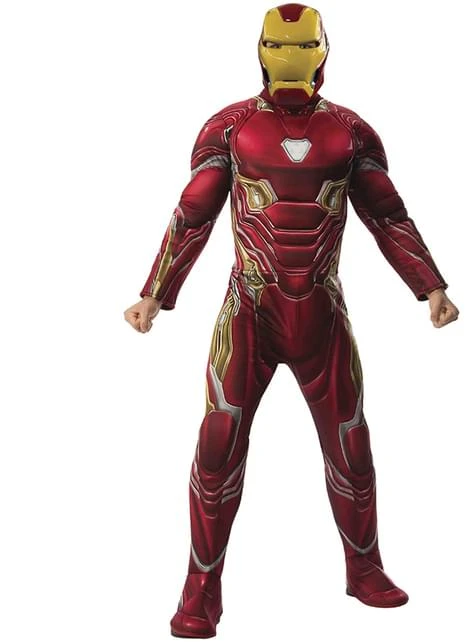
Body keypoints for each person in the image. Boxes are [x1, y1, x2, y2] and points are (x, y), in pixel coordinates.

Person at [124, 3, 459, 637]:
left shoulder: (350, 132)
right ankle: (201, 587)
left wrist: (430, 286)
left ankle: (364, 568)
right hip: (249, 312)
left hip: (322, 313)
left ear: (323, 51)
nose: (291, 59)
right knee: (218, 444)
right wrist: (156, 293)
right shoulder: (230, 127)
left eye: (303, 47)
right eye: (281, 46)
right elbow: (193, 214)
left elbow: (388, 214)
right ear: (260, 50)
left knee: (350, 443)